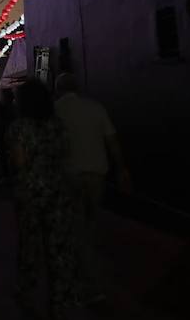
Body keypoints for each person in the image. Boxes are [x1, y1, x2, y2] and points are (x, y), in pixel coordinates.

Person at [7, 78, 83, 320]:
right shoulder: (57, 125)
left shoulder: (19, 128)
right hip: (57, 187)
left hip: (30, 190)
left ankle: (27, 288)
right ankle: (61, 298)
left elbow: (19, 162)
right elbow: (65, 152)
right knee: (59, 245)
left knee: (29, 243)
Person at [53, 71, 131, 302]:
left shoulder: (55, 111)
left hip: (69, 174)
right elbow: (112, 141)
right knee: (91, 221)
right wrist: (122, 169)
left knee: (75, 225)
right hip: (97, 172)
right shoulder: (96, 107)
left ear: (58, 89)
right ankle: (91, 271)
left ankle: (85, 280)